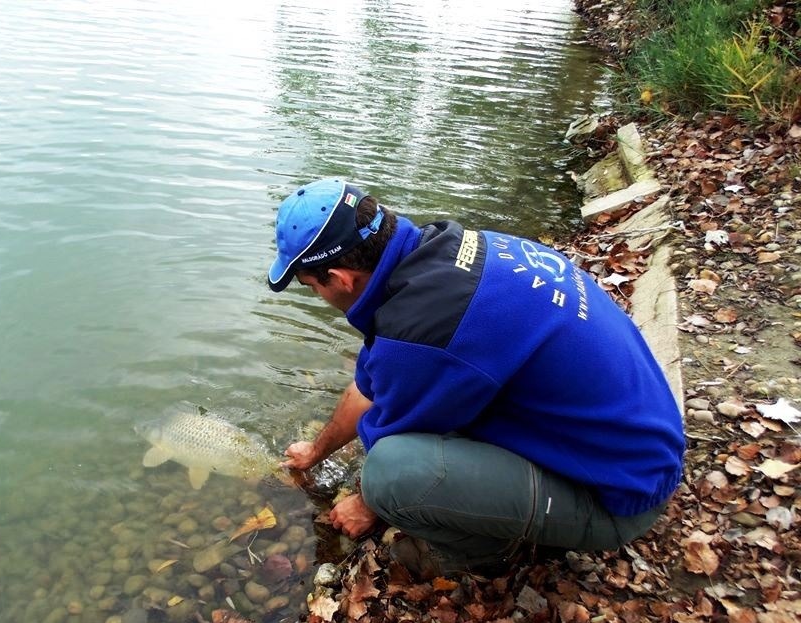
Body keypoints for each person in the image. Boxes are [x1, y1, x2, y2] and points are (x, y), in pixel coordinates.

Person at [267, 178, 685, 577]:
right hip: (645, 447)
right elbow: (369, 387)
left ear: (339, 279)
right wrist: (315, 452)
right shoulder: (450, 254)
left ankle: (483, 550)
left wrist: (365, 503)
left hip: (621, 496)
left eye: (311, 287)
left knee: (388, 475)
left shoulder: (422, 332)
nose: (318, 296)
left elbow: (389, 438)